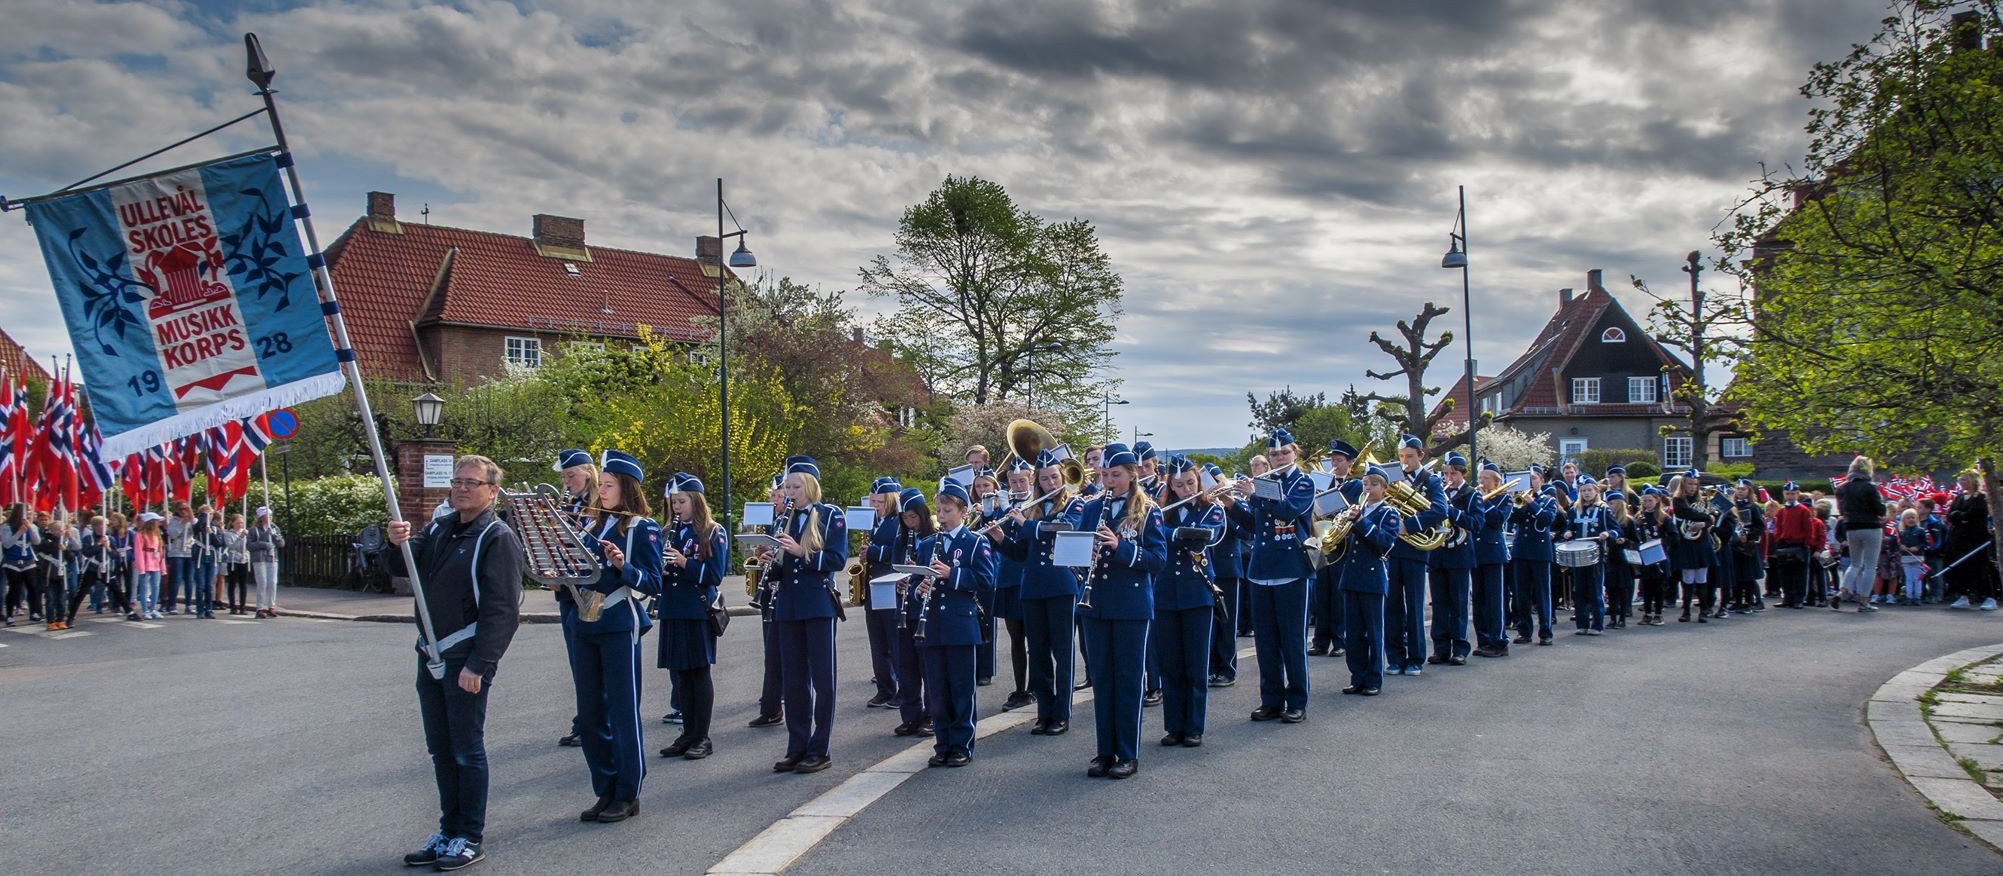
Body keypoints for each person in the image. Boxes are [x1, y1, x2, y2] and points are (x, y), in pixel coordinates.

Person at [387, 454, 524, 872]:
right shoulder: (441, 528)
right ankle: (448, 831)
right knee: (441, 749)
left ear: (492, 491)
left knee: (466, 749)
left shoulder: (496, 537)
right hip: (431, 652)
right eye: (457, 481)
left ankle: (469, 836)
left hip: (465, 655)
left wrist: (479, 664)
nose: (461, 488)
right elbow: (403, 567)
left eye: (472, 482)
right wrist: (396, 542)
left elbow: (503, 609)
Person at [566, 450, 662, 822]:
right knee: (591, 713)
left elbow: (653, 582)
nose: (601, 491)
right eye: (601, 485)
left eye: (608, 485)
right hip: (585, 622)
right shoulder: (591, 525)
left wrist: (624, 566)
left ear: (626, 488)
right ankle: (604, 788)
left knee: (623, 711)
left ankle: (627, 791)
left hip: (619, 621)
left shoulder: (641, 527)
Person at [1077, 443, 1165, 779]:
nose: (1109, 481)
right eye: (1105, 475)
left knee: (1127, 679)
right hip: (1096, 603)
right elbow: (1077, 550)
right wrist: (1078, 556)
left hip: (1131, 605)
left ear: (1131, 474)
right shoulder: (1092, 508)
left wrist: (1120, 547)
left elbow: (1158, 559)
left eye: (1116, 475)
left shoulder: (1148, 510)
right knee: (1102, 678)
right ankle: (1104, 750)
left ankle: (1127, 752)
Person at [998, 450, 1086, 737]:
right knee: (1038, 653)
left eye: (1054, 478)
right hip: (1032, 586)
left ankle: (1062, 713)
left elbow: (1062, 530)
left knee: (1063, 652)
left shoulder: (1074, 504)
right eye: (1045, 479)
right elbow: (1021, 554)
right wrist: (1000, 538)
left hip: (1061, 585)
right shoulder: (1031, 508)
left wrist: (1025, 524)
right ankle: (1044, 712)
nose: (1050, 483)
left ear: (1063, 478)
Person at [769, 456, 847, 775]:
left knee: (823, 679)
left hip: (817, 604)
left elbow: (837, 559)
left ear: (810, 486)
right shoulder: (782, 518)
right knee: (794, 681)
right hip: (788, 605)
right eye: (787, 487)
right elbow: (781, 568)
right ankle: (797, 746)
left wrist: (802, 553)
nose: (790, 493)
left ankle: (820, 748)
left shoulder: (830, 515)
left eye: (795, 487)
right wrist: (771, 562)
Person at [1230, 430, 1315, 724]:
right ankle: (1271, 700)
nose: (1279, 458)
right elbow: (1253, 527)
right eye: (1274, 454)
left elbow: (1289, 511)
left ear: (1295, 453)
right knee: (1266, 642)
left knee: (1292, 640)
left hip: (1291, 568)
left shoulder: (1303, 482)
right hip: (1261, 569)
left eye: (1284, 453)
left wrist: (1253, 495)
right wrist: (1231, 505)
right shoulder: (1264, 483)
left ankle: (1297, 700)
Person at [917, 481, 996, 767]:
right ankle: (943, 744)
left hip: (961, 625)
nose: (942, 516)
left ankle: (962, 744)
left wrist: (953, 574)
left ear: (963, 511)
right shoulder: (927, 544)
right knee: (937, 691)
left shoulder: (975, 542)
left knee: (962, 689)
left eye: (948, 510)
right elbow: (917, 580)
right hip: (933, 625)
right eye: (938, 510)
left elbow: (987, 581)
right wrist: (918, 589)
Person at [1154, 456, 1224, 748]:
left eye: (1191, 483)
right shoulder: (1161, 511)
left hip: (1197, 593)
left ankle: (1194, 726)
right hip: (1165, 593)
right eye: (1179, 485)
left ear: (1199, 482)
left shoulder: (1211, 509)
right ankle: (1174, 726)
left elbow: (1206, 537)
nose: (1186, 489)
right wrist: (1175, 533)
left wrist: (1173, 534)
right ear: (1170, 486)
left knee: (1196, 664)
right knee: (1170, 663)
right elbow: (1153, 536)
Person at [657, 472, 726, 761]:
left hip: (697, 610)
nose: (676, 507)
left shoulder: (712, 531)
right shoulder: (667, 532)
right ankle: (687, 733)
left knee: (698, 673)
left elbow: (715, 575)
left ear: (696, 501)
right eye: (673, 502)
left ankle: (702, 737)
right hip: (673, 608)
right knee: (680, 675)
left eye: (682, 502)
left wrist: (684, 563)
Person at [1384, 434, 1447, 676]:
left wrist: (1408, 525)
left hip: (1415, 550)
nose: (1405, 461)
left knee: (1414, 605)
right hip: (1391, 550)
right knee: (1392, 607)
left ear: (1420, 455)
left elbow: (1440, 510)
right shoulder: (1391, 478)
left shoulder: (1430, 481)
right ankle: (1395, 657)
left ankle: (1416, 658)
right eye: (1401, 456)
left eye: (1409, 456)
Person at [1337, 465, 1400, 697]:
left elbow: (1385, 542)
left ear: (1384, 488)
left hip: (1373, 576)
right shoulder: (1354, 510)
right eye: (1365, 484)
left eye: (1374, 484)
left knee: (1373, 632)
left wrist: (1361, 522)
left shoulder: (1389, 513)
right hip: (1351, 576)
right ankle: (1357, 677)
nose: (1368, 488)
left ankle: (1374, 678)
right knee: (1353, 633)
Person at [550, 448, 597, 747]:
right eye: (565, 477)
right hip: (567, 590)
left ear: (588, 474)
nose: (567, 482)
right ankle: (585, 719)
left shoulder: (599, 505)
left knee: (590, 662)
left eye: (572, 476)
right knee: (578, 662)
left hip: (590, 590)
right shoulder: (568, 504)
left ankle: (594, 721)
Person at [986, 461, 1033, 710]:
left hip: (1028, 576)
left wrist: (1013, 512)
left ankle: (1035, 687)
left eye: (1022, 480)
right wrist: (990, 513)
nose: (1018, 485)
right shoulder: (1003, 506)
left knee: (1035, 639)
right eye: (1013, 482)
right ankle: (1019, 688)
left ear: (1030, 479)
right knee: (1016, 639)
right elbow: (993, 541)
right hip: (1008, 577)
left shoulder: (1035, 505)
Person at [1308, 441, 1361, 660]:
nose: (1335, 465)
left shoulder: (1355, 485)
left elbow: (1349, 509)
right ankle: (1320, 641)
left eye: (1339, 461)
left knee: (1338, 596)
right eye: (1332, 460)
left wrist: (1331, 493)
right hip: (1322, 542)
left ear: (1349, 463)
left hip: (1341, 544)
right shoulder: (1322, 484)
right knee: (1321, 594)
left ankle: (1340, 640)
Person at [890, 487, 936, 738]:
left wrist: (916, 572)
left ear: (923, 515)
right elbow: (894, 568)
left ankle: (931, 715)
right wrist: (898, 582)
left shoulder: (935, 538)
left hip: (924, 610)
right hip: (904, 610)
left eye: (913, 517)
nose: (910, 522)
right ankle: (910, 715)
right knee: (906, 666)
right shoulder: (901, 540)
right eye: (905, 518)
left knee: (927, 666)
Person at [1429, 451, 1479, 664]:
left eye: (1453, 474)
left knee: (1458, 603)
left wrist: (1452, 511)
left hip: (1459, 554)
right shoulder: (1438, 493)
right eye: (1446, 474)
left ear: (1463, 473)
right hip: (1438, 552)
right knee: (1439, 603)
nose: (1449, 478)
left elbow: (1477, 523)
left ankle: (1460, 648)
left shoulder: (1471, 494)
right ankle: (1440, 648)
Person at [861, 477, 906, 710]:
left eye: (880, 501)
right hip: (873, 584)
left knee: (894, 641)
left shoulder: (899, 521)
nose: (875, 505)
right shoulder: (872, 521)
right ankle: (884, 688)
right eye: (873, 501)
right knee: (877, 642)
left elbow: (900, 551)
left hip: (890, 584)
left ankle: (903, 690)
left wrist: (874, 552)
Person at [749, 474, 788, 729]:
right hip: (770, 590)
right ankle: (771, 704)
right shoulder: (770, 521)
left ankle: (779, 698)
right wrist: (762, 554)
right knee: (771, 650)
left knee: (786, 650)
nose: (774, 500)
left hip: (787, 590)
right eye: (772, 495)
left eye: (779, 495)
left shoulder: (794, 519)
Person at [1207, 462, 1249, 687]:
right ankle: (1209, 667)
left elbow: (1245, 532)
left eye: (1215, 483)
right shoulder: (1201, 506)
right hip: (1207, 570)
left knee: (1227, 622)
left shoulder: (1234, 504)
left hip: (1228, 570)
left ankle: (1226, 668)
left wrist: (1225, 509)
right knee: (1209, 624)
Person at [1509, 468, 1560, 645]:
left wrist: (1532, 503)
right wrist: (1517, 502)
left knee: (1542, 593)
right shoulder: (1520, 500)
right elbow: (1512, 519)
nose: (1531, 482)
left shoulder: (1548, 500)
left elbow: (1547, 519)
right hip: (1521, 550)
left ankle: (1545, 632)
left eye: (1534, 478)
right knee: (1521, 594)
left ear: (1542, 481)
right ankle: (1524, 631)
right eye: (1528, 479)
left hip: (1540, 552)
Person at [1833, 456, 1887, 611]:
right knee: (1870, 566)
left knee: (1855, 563)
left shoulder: (1842, 488)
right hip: (1871, 526)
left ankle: (1841, 592)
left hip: (1851, 527)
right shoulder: (1870, 487)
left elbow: (1841, 510)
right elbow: (1880, 510)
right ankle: (1864, 601)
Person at [1470, 463, 1513, 656]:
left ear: (1496, 481)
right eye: (1480, 478)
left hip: (1494, 552)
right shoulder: (1474, 497)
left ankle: (1499, 642)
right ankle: (1483, 641)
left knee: (1494, 600)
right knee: (1478, 600)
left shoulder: (1505, 498)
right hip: (1476, 552)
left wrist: (1484, 502)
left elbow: (1497, 520)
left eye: (1486, 478)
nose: (1481, 481)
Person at [1562, 481, 1615, 635]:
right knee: (1579, 590)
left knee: (1595, 590)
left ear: (1596, 491)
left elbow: (1615, 529)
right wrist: (1568, 532)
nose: (1586, 493)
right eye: (1583, 490)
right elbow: (1570, 527)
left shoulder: (1603, 509)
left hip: (1595, 555)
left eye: (1589, 490)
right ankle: (1582, 624)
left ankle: (1597, 625)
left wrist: (1607, 534)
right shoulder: (1574, 509)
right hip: (1578, 555)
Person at [1669, 472, 1721, 622]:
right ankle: (1686, 611)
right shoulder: (1678, 500)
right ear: (1683, 484)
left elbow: (1713, 516)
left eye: (1695, 484)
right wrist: (1707, 517)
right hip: (1686, 542)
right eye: (1690, 484)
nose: (1692, 487)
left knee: (1701, 578)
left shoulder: (1702, 501)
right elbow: (1687, 513)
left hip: (1701, 542)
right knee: (1687, 578)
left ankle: (1704, 610)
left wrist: (1705, 523)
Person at [1945, 469, 1999, 611]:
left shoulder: (1980, 498)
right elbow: (1950, 515)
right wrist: (1959, 516)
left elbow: (1973, 514)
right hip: (1959, 539)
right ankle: (1963, 596)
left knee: (1981, 568)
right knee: (1960, 568)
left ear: (1973, 480)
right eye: (1960, 479)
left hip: (1976, 539)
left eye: (1964, 479)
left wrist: (1961, 516)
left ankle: (1989, 597)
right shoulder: (1959, 498)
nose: (1961, 482)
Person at [1770, 482, 1818, 609]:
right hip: (1784, 544)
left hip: (1800, 544)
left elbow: (1808, 529)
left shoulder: (1803, 510)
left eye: (1792, 494)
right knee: (1785, 573)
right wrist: (1778, 540)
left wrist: (1807, 544)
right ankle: (1787, 597)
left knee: (1800, 574)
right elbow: (1778, 527)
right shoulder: (1781, 511)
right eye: (1787, 494)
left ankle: (1798, 598)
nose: (1790, 496)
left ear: (1797, 494)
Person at [1631, 488, 1673, 624]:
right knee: (1646, 586)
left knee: (1659, 587)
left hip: (1659, 555)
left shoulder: (1664, 518)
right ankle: (1647, 613)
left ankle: (1658, 614)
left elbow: (1674, 536)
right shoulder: (1639, 517)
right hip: (1645, 554)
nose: (1647, 503)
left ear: (1657, 501)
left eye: (1650, 500)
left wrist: (1660, 542)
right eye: (1644, 500)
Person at [3, 505, 40, 625]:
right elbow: (7, 544)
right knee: (14, 588)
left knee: (33, 587)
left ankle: (34, 612)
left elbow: (37, 541)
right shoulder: (6, 527)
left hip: (28, 560)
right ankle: (9, 615)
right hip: (12, 561)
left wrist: (30, 528)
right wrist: (19, 532)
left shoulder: (32, 526)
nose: (30, 513)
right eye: (27, 510)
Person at [1603, 492, 1635, 629]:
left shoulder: (1628, 521)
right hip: (1610, 558)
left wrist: (1625, 541)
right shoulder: (1606, 520)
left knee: (1622, 589)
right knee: (1611, 589)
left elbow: (1636, 541)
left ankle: (1622, 617)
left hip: (1623, 559)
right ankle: (1612, 618)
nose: (1609, 506)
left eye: (1612, 503)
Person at [247, 507, 284, 618]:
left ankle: (271, 606)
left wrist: (275, 536)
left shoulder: (274, 528)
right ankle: (259, 608)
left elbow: (282, 544)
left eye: (270, 516)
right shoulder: (254, 530)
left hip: (272, 558)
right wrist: (263, 544)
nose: (269, 518)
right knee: (262, 583)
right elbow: (249, 545)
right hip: (259, 559)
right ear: (261, 517)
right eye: (267, 516)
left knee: (273, 582)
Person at [132, 513, 166, 620]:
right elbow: (138, 552)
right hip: (146, 562)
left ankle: (152, 609)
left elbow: (161, 552)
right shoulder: (140, 535)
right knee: (144, 587)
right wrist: (141, 568)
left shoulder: (157, 535)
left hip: (156, 563)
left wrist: (162, 567)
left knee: (156, 586)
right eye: (156, 521)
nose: (158, 523)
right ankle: (144, 610)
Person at [1894, 509, 1928, 606]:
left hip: (1917, 558)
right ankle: (1909, 597)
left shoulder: (1921, 531)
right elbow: (1898, 544)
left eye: (1913, 517)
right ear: (1904, 520)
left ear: (1916, 519)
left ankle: (1917, 597)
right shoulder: (1901, 532)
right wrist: (1901, 547)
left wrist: (1917, 547)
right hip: (1906, 558)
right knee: (1908, 579)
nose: (1911, 520)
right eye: (1908, 518)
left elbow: (1925, 544)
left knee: (1917, 579)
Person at [219, 514, 251, 616]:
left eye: (241, 523)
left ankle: (243, 606)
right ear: (232, 523)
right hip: (233, 560)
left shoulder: (246, 532)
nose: (240, 525)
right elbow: (232, 546)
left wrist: (246, 538)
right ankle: (232, 606)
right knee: (232, 583)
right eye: (238, 523)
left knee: (243, 584)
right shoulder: (228, 534)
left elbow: (247, 546)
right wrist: (240, 537)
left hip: (243, 560)